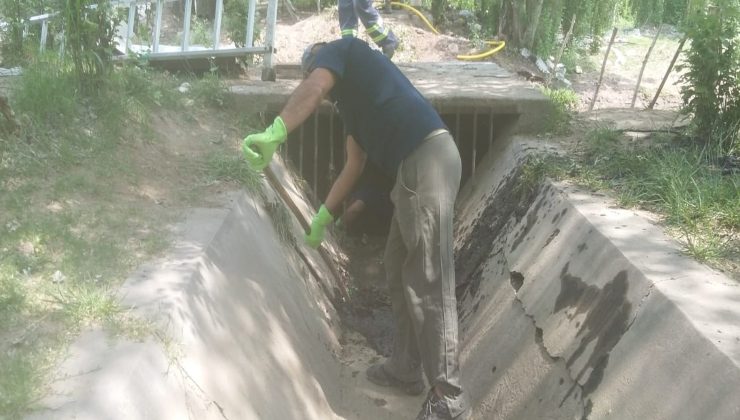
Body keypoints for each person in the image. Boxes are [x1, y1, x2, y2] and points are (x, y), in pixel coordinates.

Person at [242, 38, 468, 420]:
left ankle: (448, 396)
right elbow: (353, 165)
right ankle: (406, 368)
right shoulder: (353, 105)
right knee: (398, 267)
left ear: (317, 62)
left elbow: (313, 90)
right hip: (413, 170)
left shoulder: (341, 50)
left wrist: (276, 131)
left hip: (426, 160)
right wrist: (323, 216)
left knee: (428, 277)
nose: (323, 88)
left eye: (315, 73)